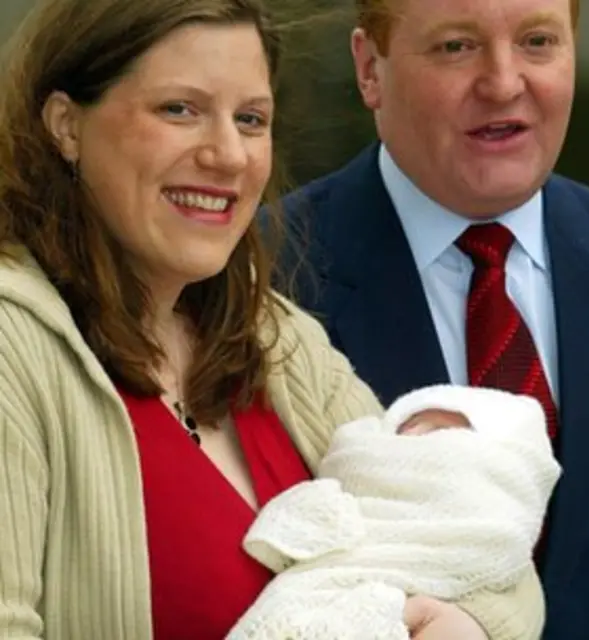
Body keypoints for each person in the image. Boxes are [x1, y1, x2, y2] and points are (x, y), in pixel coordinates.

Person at [0, 0, 542, 638]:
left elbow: (488, 541)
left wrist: (465, 625)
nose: (228, 155)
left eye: (251, 119)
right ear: (65, 124)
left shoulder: (276, 337)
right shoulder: (15, 347)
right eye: (180, 109)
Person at [276, 0, 589, 638]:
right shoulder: (258, 279)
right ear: (369, 69)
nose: (503, 83)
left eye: (537, 41)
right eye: (456, 47)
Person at [228, 386, 561, 639]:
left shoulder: (485, 498)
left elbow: (504, 547)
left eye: (438, 431)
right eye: (408, 426)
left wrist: (470, 623)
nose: (414, 436)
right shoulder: (364, 461)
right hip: (322, 585)